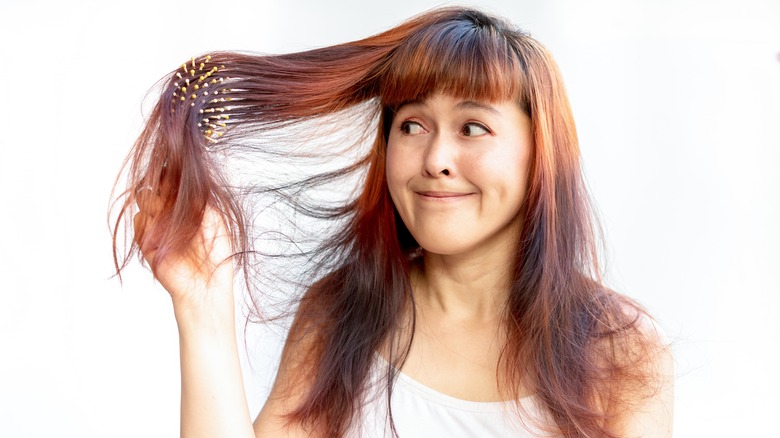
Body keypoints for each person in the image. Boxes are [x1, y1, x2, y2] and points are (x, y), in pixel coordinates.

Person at [112, 7, 674, 438]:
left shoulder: (617, 351)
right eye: (411, 125)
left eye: (473, 127)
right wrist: (202, 303)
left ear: (539, 152)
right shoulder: (339, 316)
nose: (435, 160)